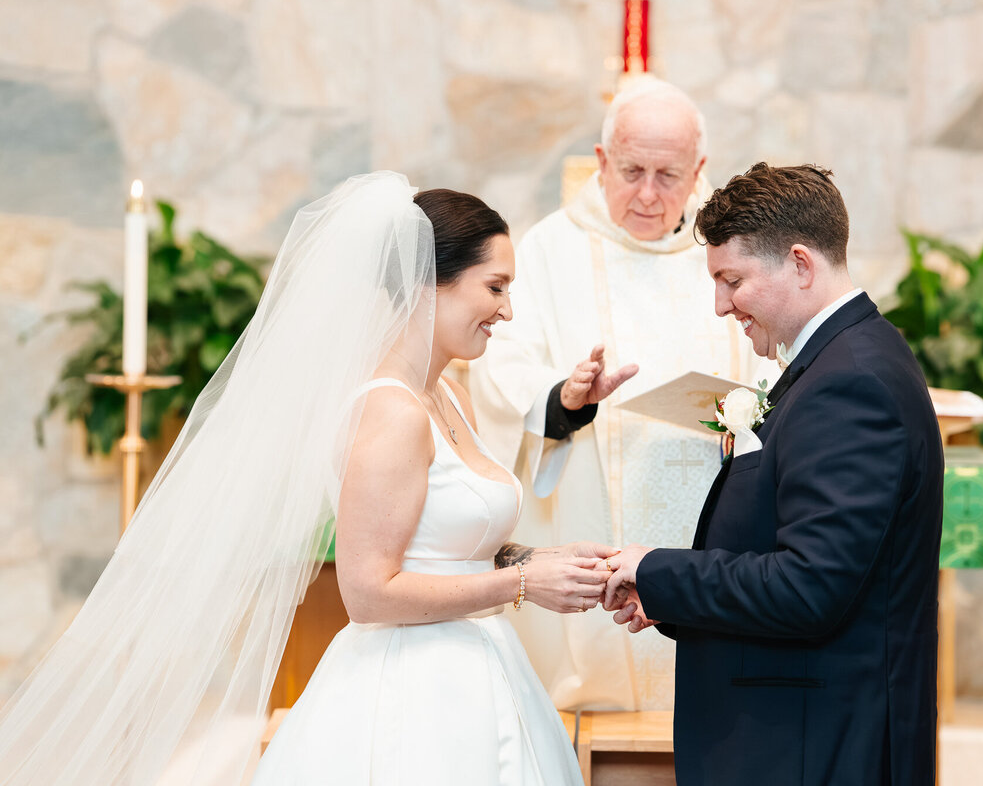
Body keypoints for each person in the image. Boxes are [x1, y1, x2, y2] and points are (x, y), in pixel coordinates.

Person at [0, 173, 611, 785]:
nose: (508, 310)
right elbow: (369, 593)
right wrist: (524, 584)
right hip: (412, 686)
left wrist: (546, 559)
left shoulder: (451, 397)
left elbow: (455, 546)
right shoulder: (392, 411)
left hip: (484, 671)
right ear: (429, 285)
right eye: (495, 286)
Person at [602, 163, 944, 785]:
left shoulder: (852, 381)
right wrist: (668, 597)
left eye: (732, 280)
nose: (719, 305)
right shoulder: (835, 361)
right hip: (801, 727)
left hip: (817, 742)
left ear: (800, 263)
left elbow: (810, 586)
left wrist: (656, 566)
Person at [469, 77, 766, 711]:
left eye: (669, 174)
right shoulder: (552, 248)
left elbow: (773, 356)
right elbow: (503, 366)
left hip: (713, 493)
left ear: (699, 172)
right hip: (590, 499)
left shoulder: (732, 247)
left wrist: (751, 412)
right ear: (602, 162)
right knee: (597, 682)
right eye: (632, 170)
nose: (649, 193)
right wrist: (566, 398)